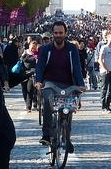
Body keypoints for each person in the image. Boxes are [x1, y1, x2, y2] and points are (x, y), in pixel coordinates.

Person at [34, 21, 86, 150]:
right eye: (56, 33)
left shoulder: (72, 49)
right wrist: (38, 81)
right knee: (47, 101)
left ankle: (66, 138)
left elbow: (77, 67)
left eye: (61, 33)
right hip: (49, 83)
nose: (58, 35)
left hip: (68, 84)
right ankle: (46, 134)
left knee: (68, 110)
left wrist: (80, 84)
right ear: (52, 34)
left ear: (65, 34)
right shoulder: (45, 49)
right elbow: (40, 66)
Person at [98, 32, 111, 112]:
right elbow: (100, 60)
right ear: (107, 38)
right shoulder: (104, 47)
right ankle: (103, 107)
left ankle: (108, 105)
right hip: (105, 71)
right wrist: (105, 68)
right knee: (104, 89)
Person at [20, 39, 41, 112]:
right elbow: (24, 59)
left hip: (32, 74)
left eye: (34, 48)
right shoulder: (25, 52)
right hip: (24, 73)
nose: (33, 49)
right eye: (32, 47)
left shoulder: (38, 54)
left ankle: (29, 107)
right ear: (29, 46)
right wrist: (33, 58)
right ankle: (27, 103)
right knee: (24, 90)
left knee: (30, 90)